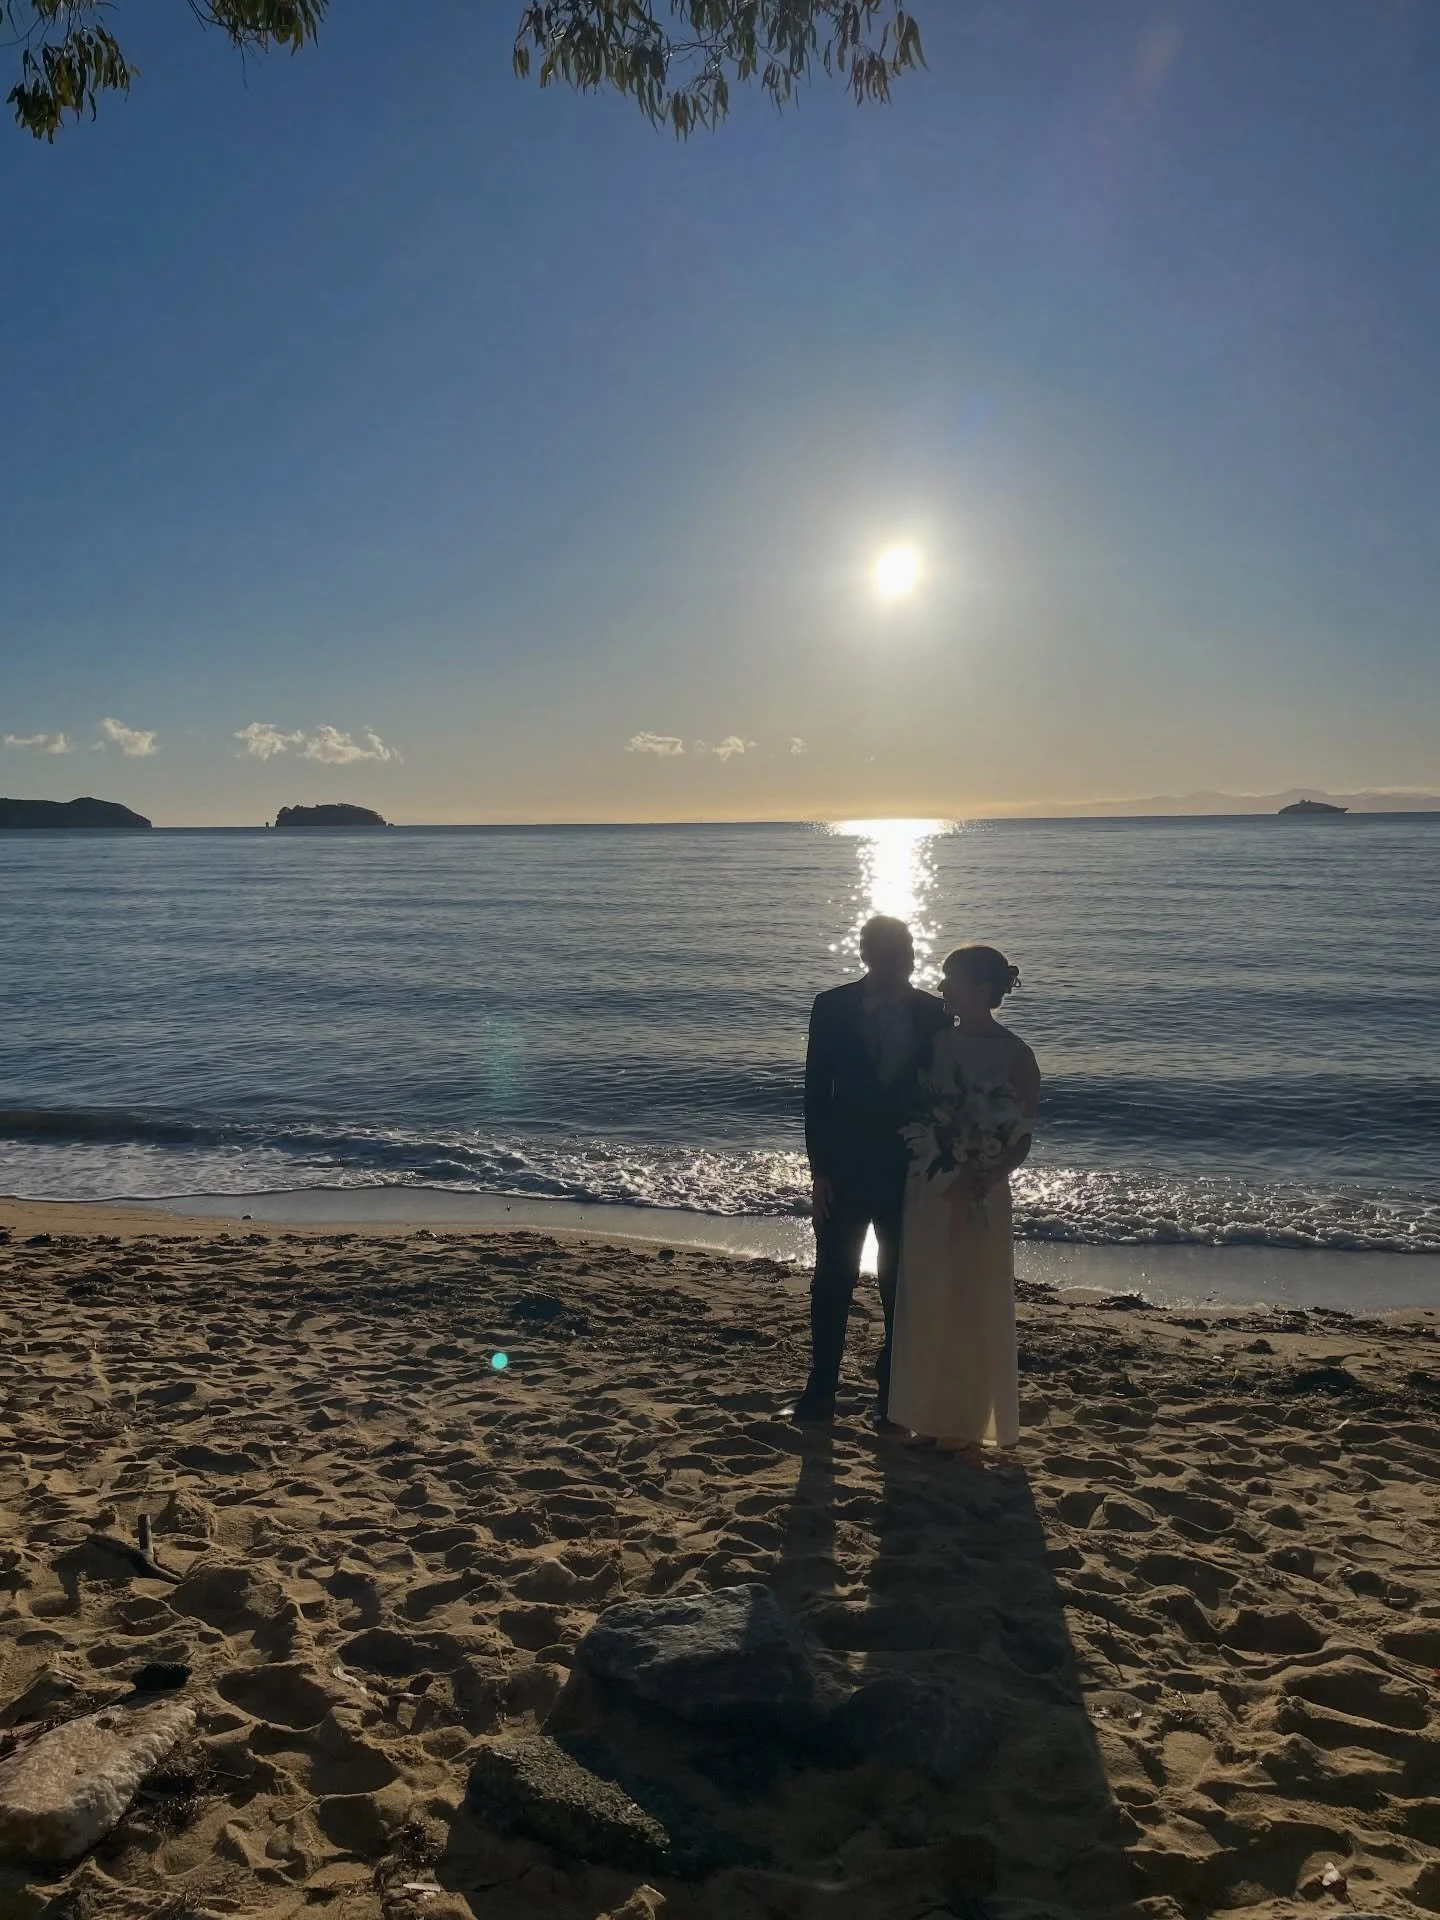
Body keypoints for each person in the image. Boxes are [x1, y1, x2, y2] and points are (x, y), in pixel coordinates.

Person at [792, 915, 951, 1426]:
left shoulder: (935, 1012)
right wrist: (819, 1173)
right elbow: (815, 1095)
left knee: (900, 1285)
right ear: (867, 957)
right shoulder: (831, 1005)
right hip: (844, 1167)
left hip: (910, 1169)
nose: (899, 967)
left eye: (905, 958)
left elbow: (947, 1094)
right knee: (832, 1281)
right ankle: (821, 1389)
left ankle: (891, 1390)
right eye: (889, 958)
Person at [887, 944, 1040, 1456]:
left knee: (971, 1303)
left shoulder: (1017, 1055)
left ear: (980, 989)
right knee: (927, 1300)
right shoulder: (936, 1046)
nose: (942, 986)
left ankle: (966, 1424)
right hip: (927, 1185)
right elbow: (915, 1111)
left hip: (981, 1192)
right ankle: (924, 1416)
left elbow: (1021, 1135)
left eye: (950, 979)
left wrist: (986, 1172)